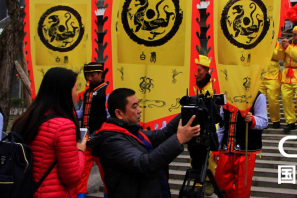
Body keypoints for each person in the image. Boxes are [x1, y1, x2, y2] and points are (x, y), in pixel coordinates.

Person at [88, 88, 200, 198]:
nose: (139, 110)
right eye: (134, 107)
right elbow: (144, 164)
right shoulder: (112, 140)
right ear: (119, 113)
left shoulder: (133, 133)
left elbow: (163, 135)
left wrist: (188, 111)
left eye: (138, 105)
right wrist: (179, 139)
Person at [11, 67, 86, 198]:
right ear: (65, 92)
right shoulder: (64, 126)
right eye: (75, 88)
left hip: (25, 190)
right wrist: (80, 150)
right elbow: (71, 176)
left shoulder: (22, 119)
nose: (76, 93)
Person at [213, 91, 267, 198]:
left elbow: (264, 121)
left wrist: (252, 120)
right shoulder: (226, 96)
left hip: (246, 151)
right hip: (226, 149)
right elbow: (222, 124)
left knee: (242, 189)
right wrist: (217, 147)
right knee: (220, 183)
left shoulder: (258, 96)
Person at [76, 62, 108, 198]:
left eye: (92, 75)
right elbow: (82, 112)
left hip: (101, 140)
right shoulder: (87, 91)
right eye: (87, 75)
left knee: (106, 173)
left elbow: (109, 115)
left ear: (100, 74)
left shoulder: (107, 91)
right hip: (86, 140)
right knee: (81, 172)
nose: (89, 78)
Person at [194, 55, 216, 196]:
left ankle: (208, 181)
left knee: (210, 154)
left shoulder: (215, 84)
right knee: (194, 152)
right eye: (195, 71)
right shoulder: (192, 83)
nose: (196, 73)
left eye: (199, 70)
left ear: (207, 70)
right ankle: (197, 181)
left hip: (212, 124)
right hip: (195, 123)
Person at [260, 40, 282, 128]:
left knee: (273, 100)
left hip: (273, 76)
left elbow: (277, 56)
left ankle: (275, 119)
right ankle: (263, 120)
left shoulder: (276, 43)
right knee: (261, 101)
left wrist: (269, 45)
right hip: (260, 76)